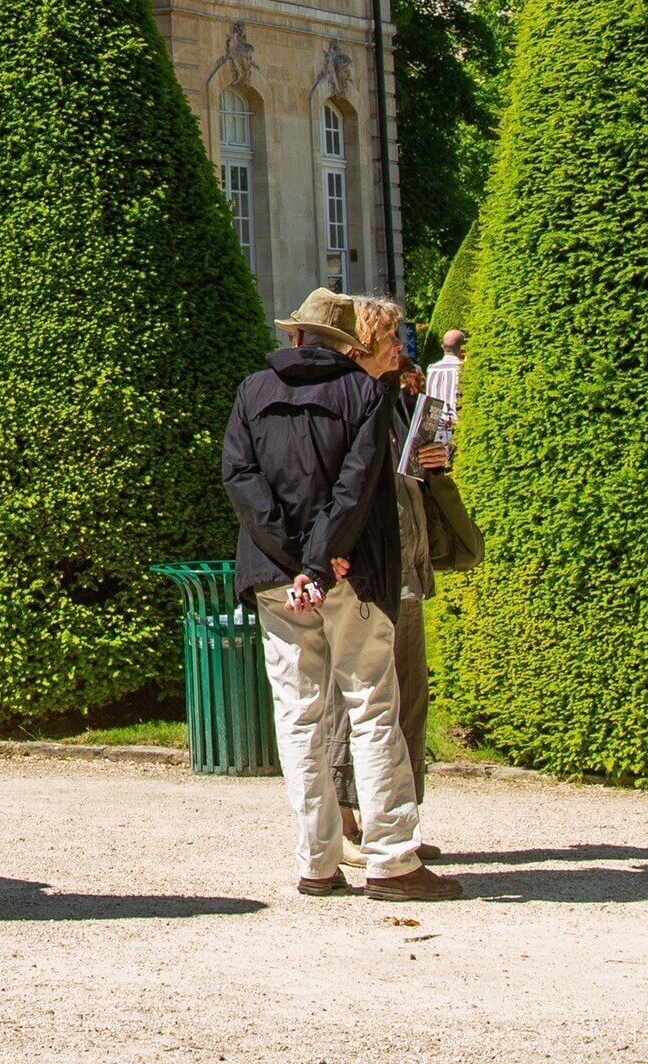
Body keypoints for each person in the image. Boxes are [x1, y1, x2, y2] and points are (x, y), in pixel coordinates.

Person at [222, 287, 457, 905]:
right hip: (348, 573)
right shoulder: (363, 393)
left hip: (275, 577)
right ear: (348, 345)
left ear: (296, 337)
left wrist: (292, 560)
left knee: (299, 718)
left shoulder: (252, 390)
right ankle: (390, 859)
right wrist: (322, 560)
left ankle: (317, 861)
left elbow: (241, 481)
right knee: (371, 709)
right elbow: (355, 488)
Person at [354, 298, 454, 813]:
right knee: (369, 702)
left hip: (407, 562)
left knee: (411, 700)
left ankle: (405, 818)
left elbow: (409, 474)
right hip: (373, 569)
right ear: (363, 344)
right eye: (392, 339)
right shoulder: (354, 400)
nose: (401, 347)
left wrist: (434, 461)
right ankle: (358, 820)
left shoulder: (396, 397)